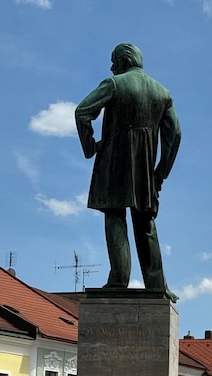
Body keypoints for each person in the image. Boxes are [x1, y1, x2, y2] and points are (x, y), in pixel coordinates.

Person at [75, 43, 181, 302]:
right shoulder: (162, 93)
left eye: (114, 62)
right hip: (145, 168)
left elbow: (82, 112)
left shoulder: (114, 83)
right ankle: (157, 283)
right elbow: (174, 134)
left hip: (113, 162)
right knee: (145, 223)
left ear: (124, 61)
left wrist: (91, 147)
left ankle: (118, 279)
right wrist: (160, 172)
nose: (112, 67)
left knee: (114, 215)